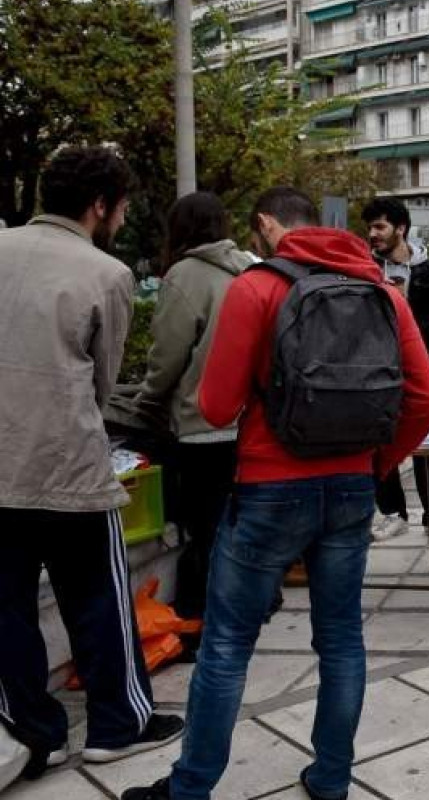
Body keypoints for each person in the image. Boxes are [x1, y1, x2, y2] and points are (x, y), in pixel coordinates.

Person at [121, 188, 429, 800]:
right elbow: (427, 398)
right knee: (342, 638)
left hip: (269, 489)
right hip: (350, 489)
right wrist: (376, 464)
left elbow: (214, 406)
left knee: (226, 644)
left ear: (269, 226)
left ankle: (190, 787)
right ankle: (329, 779)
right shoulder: (381, 292)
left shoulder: (257, 287)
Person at [0, 145, 185, 781]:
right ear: (99, 204)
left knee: (7, 612)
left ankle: (35, 735)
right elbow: (102, 384)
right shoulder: (105, 273)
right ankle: (117, 725)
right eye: (122, 207)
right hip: (68, 465)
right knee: (100, 601)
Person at [111, 192, 255, 626]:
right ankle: (254, 602)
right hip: (247, 420)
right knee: (238, 520)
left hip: (201, 423)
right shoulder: (248, 270)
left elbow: (168, 355)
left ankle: (201, 613)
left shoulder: (185, 276)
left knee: (202, 525)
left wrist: (148, 400)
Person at [363, 197, 429, 542]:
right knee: (382, 441)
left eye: (380, 226)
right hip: (379, 373)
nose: (373, 234)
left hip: (425, 370)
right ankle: (392, 512)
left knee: (428, 441)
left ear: (400, 228)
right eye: (369, 227)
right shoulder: (365, 272)